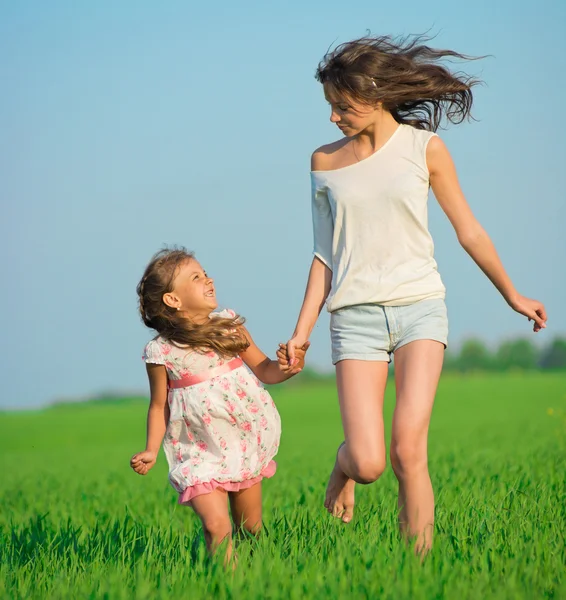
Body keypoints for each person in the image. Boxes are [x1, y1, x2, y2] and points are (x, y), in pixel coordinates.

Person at [285, 35, 547, 553]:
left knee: (408, 450)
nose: (333, 118)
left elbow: (468, 231)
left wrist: (511, 294)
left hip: (420, 309)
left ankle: (417, 572)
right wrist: (301, 332)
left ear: (377, 93)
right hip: (354, 316)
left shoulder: (424, 148)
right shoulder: (323, 161)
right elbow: (323, 255)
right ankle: (343, 468)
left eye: (342, 106)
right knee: (369, 461)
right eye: (330, 108)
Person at [130, 247, 308, 562]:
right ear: (173, 299)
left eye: (205, 273)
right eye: (196, 277)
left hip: (241, 443)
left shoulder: (229, 327)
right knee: (216, 526)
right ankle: (225, 586)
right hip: (198, 451)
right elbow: (159, 406)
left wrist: (287, 367)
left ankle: (257, 578)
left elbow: (264, 369)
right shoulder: (161, 352)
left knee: (250, 529)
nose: (208, 279)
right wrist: (150, 449)